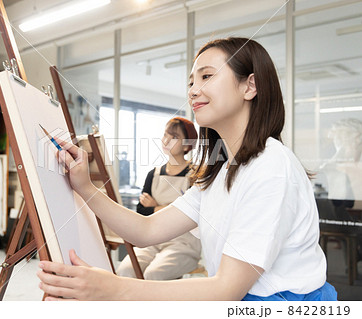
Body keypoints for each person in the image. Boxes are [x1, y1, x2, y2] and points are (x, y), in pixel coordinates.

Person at [37, 37, 337, 301]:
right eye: (191, 82)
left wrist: (115, 290)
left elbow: (225, 289)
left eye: (207, 76)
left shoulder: (271, 165)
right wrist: (86, 187)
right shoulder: (219, 172)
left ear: (250, 86)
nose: (193, 90)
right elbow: (147, 229)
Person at [116, 117, 201, 280]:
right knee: (125, 270)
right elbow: (142, 210)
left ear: (187, 144)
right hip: (153, 239)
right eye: (165, 135)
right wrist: (170, 207)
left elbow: (191, 213)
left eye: (174, 137)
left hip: (183, 244)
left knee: (153, 274)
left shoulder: (196, 174)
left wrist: (154, 206)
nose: (166, 140)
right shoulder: (153, 174)